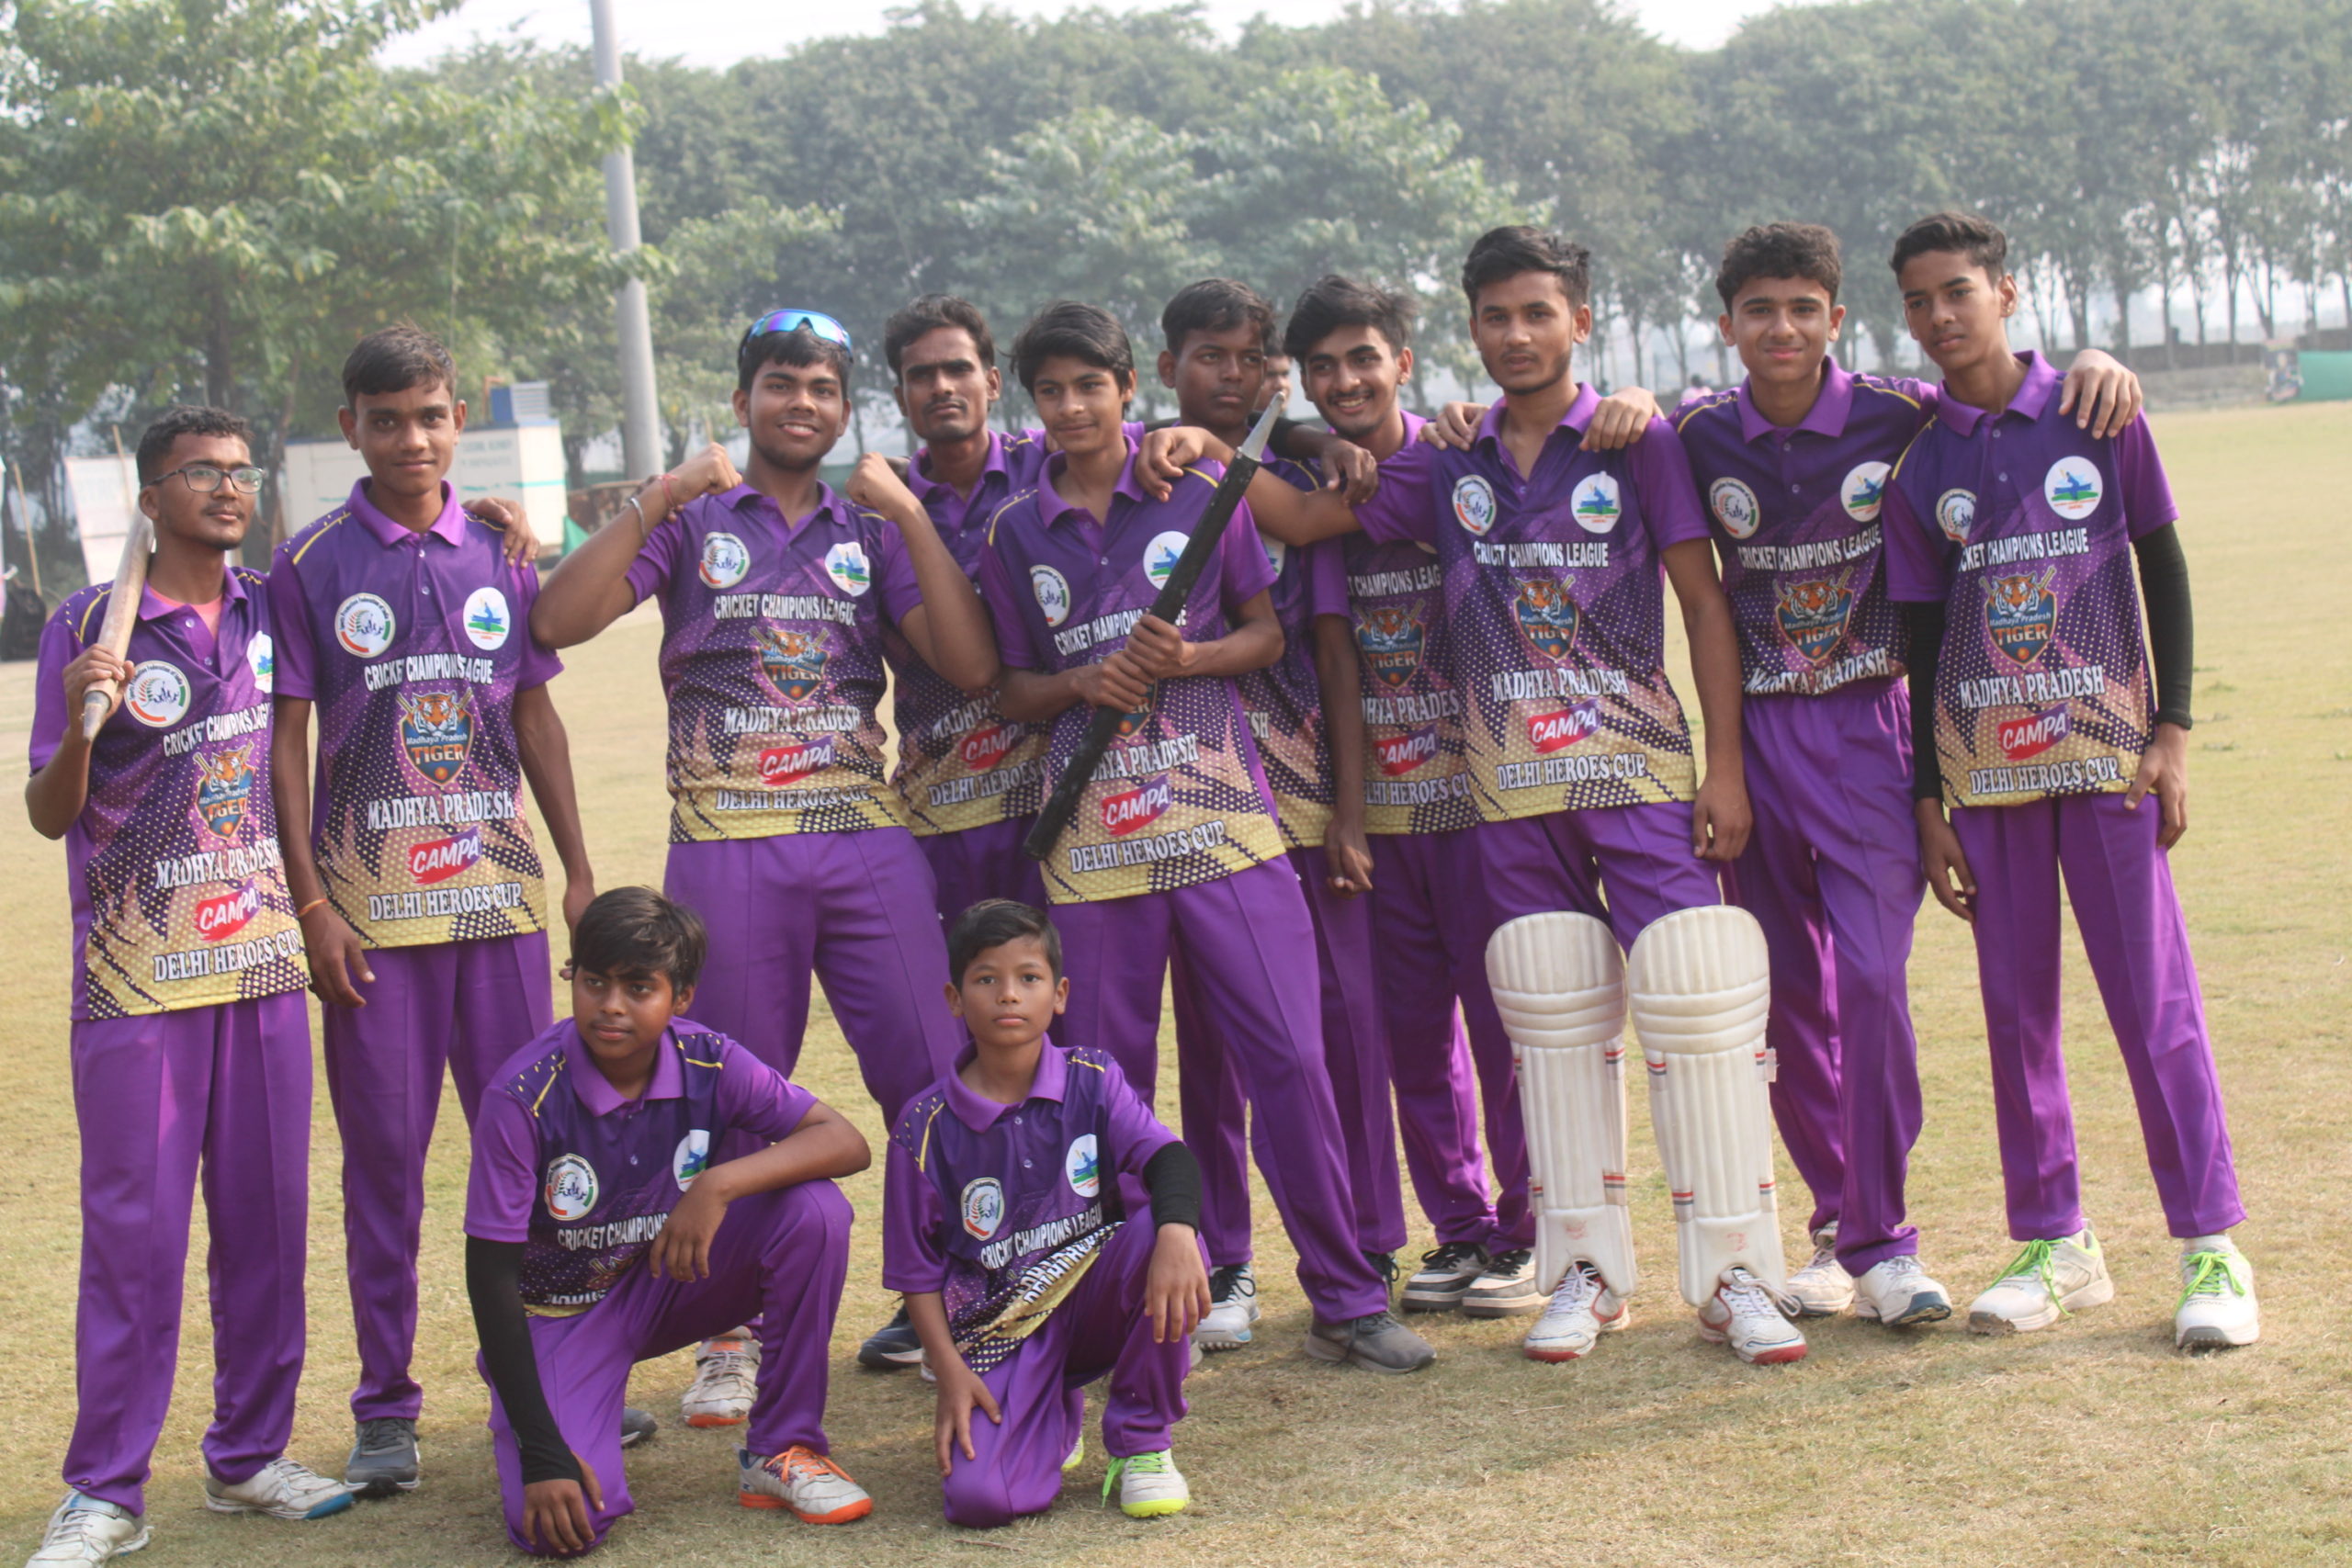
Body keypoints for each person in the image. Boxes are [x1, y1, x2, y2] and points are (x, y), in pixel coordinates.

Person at [1233, 227, 1802, 1367]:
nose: (1516, 337)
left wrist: (1724, 769)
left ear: (1578, 322)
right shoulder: (1450, 462)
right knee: (1547, 1025)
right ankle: (1581, 1272)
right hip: (1504, 793)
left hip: (1635, 773)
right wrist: (1210, 439)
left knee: (1695, 1008)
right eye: (1494, 318)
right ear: (1469, 331)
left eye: (1538, 314)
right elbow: (1296, 518)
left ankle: (1741, 1275)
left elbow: (1703, 607)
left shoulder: (1633, 441)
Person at [528, 308, 1001, 1417]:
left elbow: (971, 667)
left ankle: (976, 1283)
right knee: (731, 1098)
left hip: (862, 835)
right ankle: (728, 1332)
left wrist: (910, 519)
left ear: (846, 411)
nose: (802, 404)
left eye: (823, 389)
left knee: (937, 1074)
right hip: (728, 838)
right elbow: (555, 618)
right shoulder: (694, 522)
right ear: (742, 403)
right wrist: (657, 493)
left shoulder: (870, 527)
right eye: (781, 385)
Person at [1671, 222, 2145, 1328]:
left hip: (1871, 730)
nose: (1779, 329)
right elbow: (1616, 453)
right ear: (1728, 324)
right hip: (1757, 742)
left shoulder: (1902, 413)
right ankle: (1842, 1230)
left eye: (1801, 308)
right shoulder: (1693, 437)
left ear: (1835, 319)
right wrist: (1724, 769)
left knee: (1875, 985)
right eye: (1757, 311)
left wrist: (2093, 362)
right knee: (1791, 1003)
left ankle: (1887, 1241)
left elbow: (1999, 387)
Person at [974, 299, 1433, 1372]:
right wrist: (1084, 680)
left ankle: (1347, 1297)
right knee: (1108, 1084)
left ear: (1130, 389)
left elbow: (1265, 632)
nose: (1074, 407)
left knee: (1289, 1058)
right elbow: (1010, 688)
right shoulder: (1013, 533)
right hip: (1093, 853)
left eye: (1092, 385)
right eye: (1051, 391)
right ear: (1030, 405)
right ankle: (1119, 1308)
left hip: (1224, 823)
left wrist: (1185, 662)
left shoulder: (1198, 488)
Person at [1881, 210, 2256, 1350]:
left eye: (1960, 291)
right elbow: (1919, 640)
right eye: (1920, 300)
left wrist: (2173, 733)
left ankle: (2211, 1248)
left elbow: (2165, 569)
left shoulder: (2098, 412)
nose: (1942, 316)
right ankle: (2056, 1241)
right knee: (2015, 1015)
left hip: (2107, 767)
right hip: (1986, 783)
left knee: (2155, 1009)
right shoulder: (1919, 464)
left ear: (2006, 291)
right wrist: (1929, 804)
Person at [267, 326, 594, 1494]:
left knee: (537, 1150)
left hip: (498, 911)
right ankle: (385, 1406)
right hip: (373, 925)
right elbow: (286, 739)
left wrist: (579, 868)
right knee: (385, 1172)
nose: (414, 438)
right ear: (350, 426)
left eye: (433, 416)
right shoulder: (306, 562)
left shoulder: (501, 550)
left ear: (461, 420)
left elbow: (536, 719)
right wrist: (312, 900)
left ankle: (558, 1371)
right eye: (388, 418)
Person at [25, 406, 352, 1566]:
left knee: (265, 1223)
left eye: (238, 471)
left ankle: (248, 1454)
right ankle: (106, 1489)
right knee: (137, 1237)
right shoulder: (85, 625)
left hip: (258, 964)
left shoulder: (274, 606)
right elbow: (48, 814)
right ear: (151, 497)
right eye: (199, 473)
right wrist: (76, 723)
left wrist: (509, 533)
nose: (226, 488)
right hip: (136, 980)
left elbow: (367, 566)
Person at [1146, 278, 1408, 1350]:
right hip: (1194, 803)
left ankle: (1366, 1242)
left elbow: (1333, 652)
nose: (1235, 375)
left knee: (1336, 1033)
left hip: (1300, 790)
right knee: (1210, 1047)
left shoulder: (1300, 459)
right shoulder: (1145, 466)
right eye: (1212, 356)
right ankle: (1225, 1258)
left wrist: (1349, 809)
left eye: (1254, 359)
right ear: (1167, 369)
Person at [465, 887, 872, 1555]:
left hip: (662, 1282)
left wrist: (718, 1183)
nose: (612, 1005)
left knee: (814, 1210)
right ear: (572, 979)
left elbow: (843, 1140)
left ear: (680, 996)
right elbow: (490, 1278)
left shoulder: (707, 1057)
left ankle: (782, 1449)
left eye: (638, 986)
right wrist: (542, 1449)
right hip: (561, 1319)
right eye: (594, 982)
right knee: (563, 1527)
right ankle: (535, 1409)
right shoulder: (523, 1095)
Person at [1281, 276, 1513, 1313]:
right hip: (1388, 820)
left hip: (1489, 804)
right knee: (1412, 1032)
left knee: (1506, 1024)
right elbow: (1335, 659)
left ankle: (1532, 1223)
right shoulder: (1328, 498)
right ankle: (1459, 1227)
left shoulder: (1463, 455)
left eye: (1362, 359)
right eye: (1322, 367)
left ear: (1402, 364)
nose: (1344, 382)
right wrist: (1347, 813)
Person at [887, 899, 1209, 1525]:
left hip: (1095, 1298)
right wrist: (949, 1371)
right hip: (1001, 1333)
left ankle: (1142, 1440)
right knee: (986, 1500)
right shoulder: (923, 1125)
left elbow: (1168, 1156)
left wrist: (1177, 1231)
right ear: (955, 998)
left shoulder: (1094, 1076)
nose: (1009, 995)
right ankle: (1055, 1409)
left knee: (1170, 1235)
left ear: (1058, 994)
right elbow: (913, 1271)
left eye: (1028, 978)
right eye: (987, 979)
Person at [881, 295, 1052, 922]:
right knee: (965, 1004)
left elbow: (1185, 435)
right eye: (921, 375)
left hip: (1061, 797)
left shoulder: (1055, 463)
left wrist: (1311, 438)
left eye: (958, 368)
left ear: (993, 381)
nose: (942, 386)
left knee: (1061, 1000)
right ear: (901, 397)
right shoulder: (879, 514)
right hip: (943, 803)